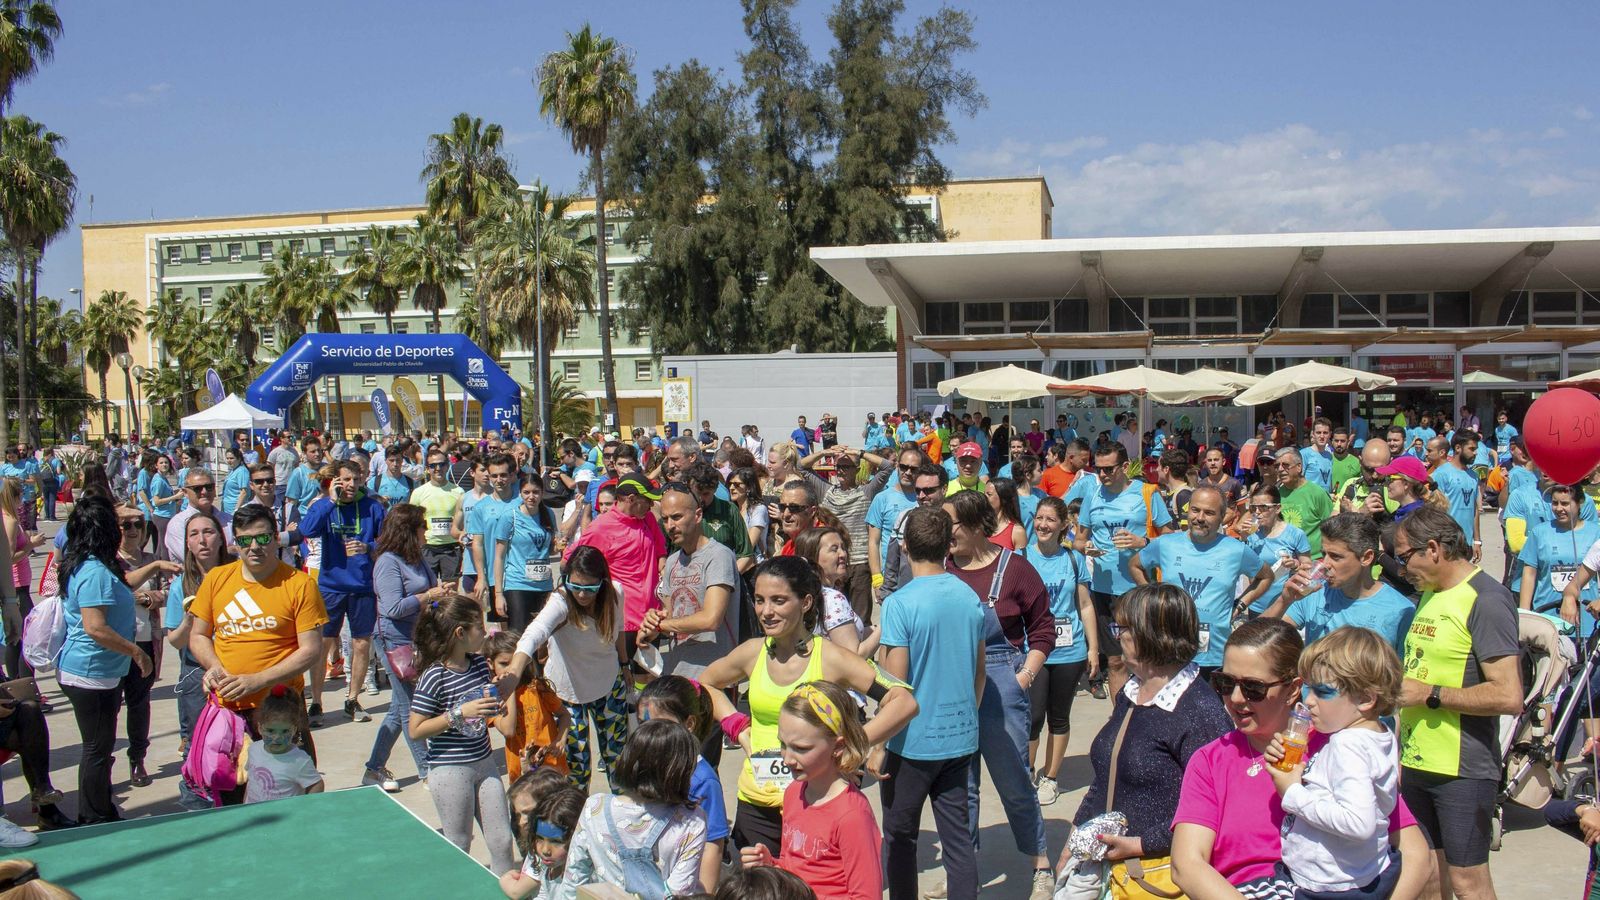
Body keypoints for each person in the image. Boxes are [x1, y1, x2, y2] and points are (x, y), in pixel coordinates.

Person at [1170, 618, 1430, 899]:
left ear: (1294, 688)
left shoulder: (1340, 747)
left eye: (1253, 688)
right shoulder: (1211, 760)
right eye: (1225, 682)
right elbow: (1188, 865)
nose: (1235, 698)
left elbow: (1415, 854)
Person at [701, 556, 917, 857]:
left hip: (817, 802)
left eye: (778, 601)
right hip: (757, 804)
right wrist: (739, 729)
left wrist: (853, 745)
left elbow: (903, 700)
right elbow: (706, 685)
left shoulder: (831, 658)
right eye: (760, 600)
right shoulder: (752, 653)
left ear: (805, 602)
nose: (766, 611)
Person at [1391, 507, 1523, 900]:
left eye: (1404, 557)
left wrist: (1430, 694)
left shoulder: (1487, 599)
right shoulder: (1430, 594)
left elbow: (1508, 695)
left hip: (1463, 768)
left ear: (1432, 549)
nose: (1401, 568)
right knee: (1429, 878)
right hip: (1417, 761)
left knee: (1468, 883)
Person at [1067, 583, 1232, 896]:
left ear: (1153, 633)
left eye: (1123, 628)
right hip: (1111, 873)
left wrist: (1140, 844)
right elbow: (1106, 775)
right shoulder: (1133, 690)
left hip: (1157, 878)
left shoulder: (1201, 711)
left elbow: (1217, 809)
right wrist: (1074, 837)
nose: (1116, 635)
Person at [940, 490, 1055, 897]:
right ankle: (963, 875)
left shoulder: (1016, 569)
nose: (943, 533)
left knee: (1014, 780)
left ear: (974, 525)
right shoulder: (941, 570)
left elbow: (1043, 629)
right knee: (960, 786)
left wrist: (1024, 675)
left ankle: (1041, 865)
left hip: (1002, 676)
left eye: (949, 524)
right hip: (953, 682)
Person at [876, 507, 983, 900]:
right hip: (960, 738)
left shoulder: (899, 603)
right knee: (957, 839)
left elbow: (896, 684)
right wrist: (966, 716)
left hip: (911, 743)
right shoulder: (969, 595)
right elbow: (979, 671)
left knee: (900, 837)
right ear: (948, 546)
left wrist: (877, 741)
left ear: (904, 547)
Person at [188, 503, 328, 803]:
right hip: (227, 716)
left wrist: (257, 681)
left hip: (280, 712)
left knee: (295, 800)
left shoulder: (300, 584)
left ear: (276, 538)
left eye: (263, 538)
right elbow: (198, 636)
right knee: (232, 801)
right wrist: (213, 667)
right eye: (244, 540)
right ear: (235, 542)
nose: (254, 547)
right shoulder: (216, 579)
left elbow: (311, 650)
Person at [1262, 626, 1404, 897]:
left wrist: (1291, 792)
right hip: (1363, 871)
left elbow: (1357, 824)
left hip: (1328, 885)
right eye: (1307, 689)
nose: (1308, 701)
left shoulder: (1347, 744)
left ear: (1365, 699)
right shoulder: (1377, 734)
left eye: (1322, 692)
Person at [499, 545, 630, 789]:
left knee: (618, 759)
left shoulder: (615, 593)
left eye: (590, 588)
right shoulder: (560, 601)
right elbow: (534, 633)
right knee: (577, 769)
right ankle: (579, 821)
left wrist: (625, 665)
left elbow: (619, 629)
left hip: (609, 685)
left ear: (602, 582)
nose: (581, 594)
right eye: (576, 586)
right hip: (567, 696)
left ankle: (621, 814)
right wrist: (514, 673)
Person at [739, 680, 883, 900]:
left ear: (838, 746)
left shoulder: (852, 815)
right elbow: (794, 871)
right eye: (783, 744)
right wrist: (771, 865)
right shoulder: (793, 793)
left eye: (801, 748)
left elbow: (867, 895)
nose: (787, 758)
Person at [56, 496, 152, 825]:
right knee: (97, 749)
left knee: (99, 747)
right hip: (89, 672)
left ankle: (99, 808)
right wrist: (136, 650)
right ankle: (94, 816)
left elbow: (122, 589)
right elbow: (95, 626)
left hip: (100, 672)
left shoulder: (92, 564)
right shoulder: (95, 571)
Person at [407, 595, 518, 875]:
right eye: (479, 626)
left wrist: (494, 700)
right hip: (450, 770)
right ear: (460, 633)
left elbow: (488, 711)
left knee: (502, 840)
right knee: (458, 843)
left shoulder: (480, 665)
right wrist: (459, 712)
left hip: (484, 764)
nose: (485, 631)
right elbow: (415, 729)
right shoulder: (434, 676)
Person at [1131, 485, 1274, 676]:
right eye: (1195, 510)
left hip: (1213, 655)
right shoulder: (1166, 544)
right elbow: (1135, 565)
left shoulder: (1236, 550)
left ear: (1222, 516)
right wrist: (1152, 599)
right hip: (1169, 650)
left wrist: (1240, 604)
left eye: (1209, 513)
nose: (1200, 518)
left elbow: (1266, 577)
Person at [364, 503, 455, 793]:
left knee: (396, 709)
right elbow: (392, 608)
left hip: (418, 638)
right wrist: (429, 596)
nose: (426, 531)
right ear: (409, 530)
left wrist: (440, 596)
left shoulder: (417, 558)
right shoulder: (387, 562)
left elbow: (428, 594)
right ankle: (427, 771)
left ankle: (373, 768)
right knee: (410, 710)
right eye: (422, 526)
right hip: (395, 641)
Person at [565, 719, 709, 896]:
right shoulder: (691, 821)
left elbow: (574, 876)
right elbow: (680, 893)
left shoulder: (594, 807)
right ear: (679, 771)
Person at [1077, 439, 1172, 697]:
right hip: (1104, 589)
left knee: (1144, 657)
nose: (1103, 475)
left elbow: (1171, 537)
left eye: (1109, 469)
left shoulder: (1147, 493)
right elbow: (1078, 539)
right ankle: (1119, 718)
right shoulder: (1092, 495)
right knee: (1116, 660)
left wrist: (1144, 542)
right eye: (1098, 469)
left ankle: (1146, 711)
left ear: (1126, 466)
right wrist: (1086, 548)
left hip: (1139, 588)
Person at [298, 458, 387, 724]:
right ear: (335, 480)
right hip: (330, 585)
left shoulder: (373, 507)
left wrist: (368, 548)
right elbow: (306, 530)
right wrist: (331, 500)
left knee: (361, 643)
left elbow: (386, 543)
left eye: (355, 479)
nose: (351, 485)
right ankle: (316, 701)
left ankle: (352, 699)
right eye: (345, 479)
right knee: (323, 643)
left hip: (362, 585)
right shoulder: (324, 505)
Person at [1024, 497, 1098, 807]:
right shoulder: (1022, 558)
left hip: (1070, 650)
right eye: (1039, 518)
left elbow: (1085, 605)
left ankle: (1050, 778)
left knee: (1059, 716)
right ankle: (1026, 772)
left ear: (1062, 526)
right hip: (1033, 651)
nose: (1042, 524)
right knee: (1033, 716)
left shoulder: (1073, 560)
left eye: (1050, 520)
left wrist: (1094, 649)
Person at [638, 676, 731, 891]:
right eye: (643, 724)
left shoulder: (702, 780)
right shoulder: (644, 763)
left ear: (688, 724)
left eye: (658, 725)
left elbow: (713, 846)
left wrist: (704, 894)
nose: (647, 732)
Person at [641, 484, 740, 683]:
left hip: (714, 677)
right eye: (666, 519)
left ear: (697, 515)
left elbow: (711, 619)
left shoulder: (718, 556)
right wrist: (651, 624)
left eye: (677, 517)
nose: (670, 526)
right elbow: (670, 617)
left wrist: (662, 625)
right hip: (677, 672)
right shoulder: (672, 561)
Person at [563, 476, 666, 663]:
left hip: (652, 615)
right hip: (623, 620)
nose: (651, 505)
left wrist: (663, 576)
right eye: (648, 500)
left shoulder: (647, 518)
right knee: (623, 678)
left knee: (649, 677)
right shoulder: (601, 527)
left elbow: (661, 552)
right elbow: (569, 561)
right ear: (631, 499)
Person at [111, 502, 176, 789]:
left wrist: (153, 598)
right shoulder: (109, 560)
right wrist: (139, 593)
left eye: (139, 524)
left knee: (139, 704)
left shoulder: (151, 558)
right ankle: (105, 763)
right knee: (110, 705)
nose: (134, 530)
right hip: (116, 643)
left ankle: (137, 758)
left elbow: (168, 590)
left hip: (147, 639)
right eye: (127, 525)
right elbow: (120, 587)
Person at [162, 510, 232, 754]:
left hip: (235, 666)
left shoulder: (240, 575)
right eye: (194, 534)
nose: (202, 540)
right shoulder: (182, 584)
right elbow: (175, 640)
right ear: (188, 544)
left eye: (208, 532)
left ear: (222, 539)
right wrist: (190, 619)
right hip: (196, 670)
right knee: (199, 744)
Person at [486, 631, 571, 782]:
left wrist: (560, 739)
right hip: (521, 774)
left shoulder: (537, 688)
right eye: (504, 664)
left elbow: (564, 715)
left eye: (515, 663)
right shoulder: (491, 699)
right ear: (490, 664)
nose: (510, 670)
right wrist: (509, 689)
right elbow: (509, 730)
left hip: (551, 767)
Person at [493, 475, 559, 634]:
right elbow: (499, 557)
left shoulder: (548, 514)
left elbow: (547, 550)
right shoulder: (510, 517)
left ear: (542, 493)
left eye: (536, 492)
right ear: (520, 494)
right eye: (526, 492)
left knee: (542, 637)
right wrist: (498, 594)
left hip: (543, 585)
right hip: (517, 584)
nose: (531, 497)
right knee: (519, 635)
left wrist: (557, 547)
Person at [500, 782, 585, 900]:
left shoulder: (583, 882)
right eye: (539, 838)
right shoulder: (547, 866)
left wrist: (505, 881)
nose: (545, 850)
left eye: (556, 841)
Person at [792, 526, 870, 654]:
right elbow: (853, 656)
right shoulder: (832, 599)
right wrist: (885, 627)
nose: (843, 554)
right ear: (813, 557)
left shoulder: (803, 593)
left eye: (843, 548)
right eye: (834, 550)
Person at [243, 685, 324, 803]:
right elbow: (251, 782)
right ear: (260, 728)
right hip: (254, 815)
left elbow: (317, 784)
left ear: (294, 730)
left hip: (283, 819)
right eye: (270, 730)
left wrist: (306, 806)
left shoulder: (300, 760)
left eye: (285, 731)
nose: (277, 737)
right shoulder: (254, 749)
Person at [866, 446, 927, 601]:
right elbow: (873, 542)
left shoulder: (926, 499)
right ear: (897, 466)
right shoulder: (882, 499)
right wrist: (877, 579)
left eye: (913, 469)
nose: (907, 472)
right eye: (904, 467)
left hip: (922, 577)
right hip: (891, 580)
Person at [0, 479, 45, 680]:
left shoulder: (10, 518)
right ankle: (23, 684)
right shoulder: (8, 521)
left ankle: (19, 683)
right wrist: (30, 545)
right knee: (23, 637)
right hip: (16, 586)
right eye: (21, 493)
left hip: (20, 585)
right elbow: (8, 558)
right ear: (14, 496)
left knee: (18, 637)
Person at [411, 447, 465, 580]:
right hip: (427, 547)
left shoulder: (459, 492)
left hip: (452, 547)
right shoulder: (419, 492)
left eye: (441, 464)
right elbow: (411, 523)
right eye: (433, 465)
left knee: (450, 592)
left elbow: (464, 523)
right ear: (427, 469)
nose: (437, 468)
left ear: (447, 466)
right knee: (428, 591)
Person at [1271, 446, 1334, 558]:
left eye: (1285, 465)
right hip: (1285, 560)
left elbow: (1332, 528)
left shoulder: (1316, 493)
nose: (1280, 469)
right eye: (1277, 466)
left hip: (1314, 561)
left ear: (1299, 467)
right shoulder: (1277, 494)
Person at [163, 467, 232, 563]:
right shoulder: (178, 524)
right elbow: (194, 560)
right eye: (197, 488)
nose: (204, 492)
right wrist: (230, 550)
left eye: (209, 487)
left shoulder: (229, 520)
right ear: (185, 492)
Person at [729, 467, 770, 561]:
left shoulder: (758, 510)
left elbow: (749, 546)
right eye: (730, 484)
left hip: (753, 564)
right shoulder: (730, 509)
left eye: (736, 484)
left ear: (748, 487)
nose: (731, 488)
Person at [984, 477, 1027, 551]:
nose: (984, 497)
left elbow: (1021, 562)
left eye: (989, 494)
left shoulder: (1017, 532)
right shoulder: (980, 526)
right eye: (984, 493)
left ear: (1003, 498)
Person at [1301, 418, 1335, 493]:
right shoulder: (1304, 454)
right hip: (1309, 501)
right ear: (1313, 434)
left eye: (1325, 433)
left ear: (1330, 434)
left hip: (1326, 501)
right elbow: (1298, 482)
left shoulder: (1329, 456)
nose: (1322, 436)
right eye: (1318, 432)